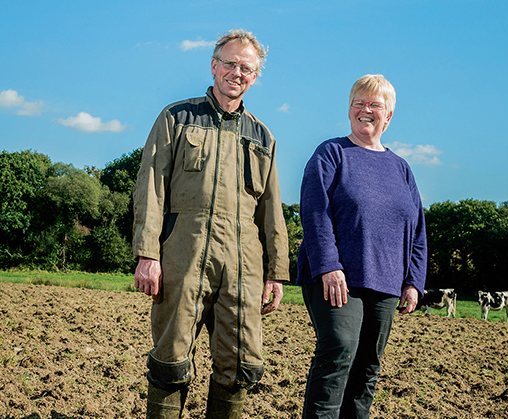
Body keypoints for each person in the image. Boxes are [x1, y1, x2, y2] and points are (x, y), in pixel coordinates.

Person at [132, 29, 290, 419]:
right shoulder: (177, 118)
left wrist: (276, 272)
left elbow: (271, 209)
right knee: (169, 362)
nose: (237, 73)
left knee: (238, 366)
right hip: (182, 257)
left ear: (255, 77)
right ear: (214, 66)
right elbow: (150, 186)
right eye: (231, 64)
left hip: (243, 267)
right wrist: (148, 253)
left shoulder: (262, 135)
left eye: (246, 68)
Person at [296, 74, 427, 419]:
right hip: (336, 277)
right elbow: (314, 211)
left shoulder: (401, 169)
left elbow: (417, 229)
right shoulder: (332, 154)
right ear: (349, 109)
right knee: (339, 350)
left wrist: (414, 280)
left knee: (368, 365)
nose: (365, 110)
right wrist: (327, 265)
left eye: (374, 105)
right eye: (359, 103)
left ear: (388, 116)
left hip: (384, 281)